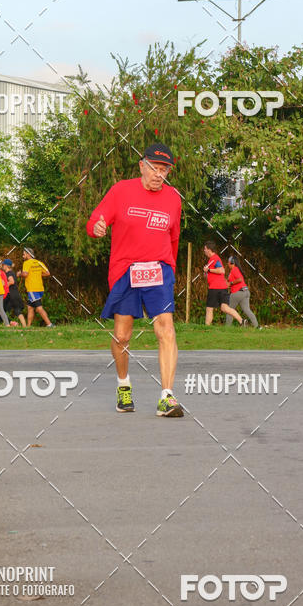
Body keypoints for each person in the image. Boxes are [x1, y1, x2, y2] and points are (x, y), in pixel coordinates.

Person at [86, 142, 183, 417]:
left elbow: (174, 238)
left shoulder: (173, 198)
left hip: (158, 269)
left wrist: (170, 269)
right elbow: (95, 220)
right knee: (122, 334)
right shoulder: (121, 191)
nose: (159, 174)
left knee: (166, 329)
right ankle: (123, 385)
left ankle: (167, 396)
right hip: (126, 270)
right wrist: (97, 227)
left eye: (164, 170)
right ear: (142, 165)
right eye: (154, 168)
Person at [202, 242, 243, 325]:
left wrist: (209, 270)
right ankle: (242, 321)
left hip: (215, 287)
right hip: (222, 287)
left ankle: (206, 328)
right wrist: (206, 273)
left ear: (209, 250)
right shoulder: (211, 260)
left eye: (205, 249)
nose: (204, 251)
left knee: (209, 308)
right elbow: (211, 274)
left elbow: (222, 270)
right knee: (224, 308)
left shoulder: (215, 258)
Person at [18, 248, 53, 327]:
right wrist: (37, 275)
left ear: (28, 254)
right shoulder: (39, 262)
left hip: (32, 289)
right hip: (40, 288)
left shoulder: (26, 263)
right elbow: (47, 273)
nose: (23, 256)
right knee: (30, 308)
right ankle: (28, 326)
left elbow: (25, 274)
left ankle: (49, 324)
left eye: (24, 254)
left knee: (39, 308)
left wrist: (19, 274)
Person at [224, 256, 259, 327]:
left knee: (229, 310)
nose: (227, 263)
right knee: (247, 310)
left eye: (228, 262)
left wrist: (230, 283)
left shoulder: (234, 269)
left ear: (231, 263)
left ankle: (227, 328)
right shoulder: (236, 270)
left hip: (238, 292)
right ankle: (257, 326)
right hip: (245, 291)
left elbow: (240, 279)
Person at [1, 258, 26, 327]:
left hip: (10, 295)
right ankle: (24, 326)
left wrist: (4, 284)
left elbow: (12, 282)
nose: (3, 266)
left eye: (3, 265)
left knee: (1, 310)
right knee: (17, 311)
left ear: (6, 266)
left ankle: (9, 323)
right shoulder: (12, 273)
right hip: (16, 294)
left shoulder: (8, 273)